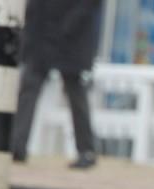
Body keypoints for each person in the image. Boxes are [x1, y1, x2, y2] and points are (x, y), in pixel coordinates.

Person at [11, 0, 102, 169]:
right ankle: (17, 146)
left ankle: (86, 151)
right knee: (29, 88)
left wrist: (71, 25)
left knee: (75, 92)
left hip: (71, 36)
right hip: (42, 32)